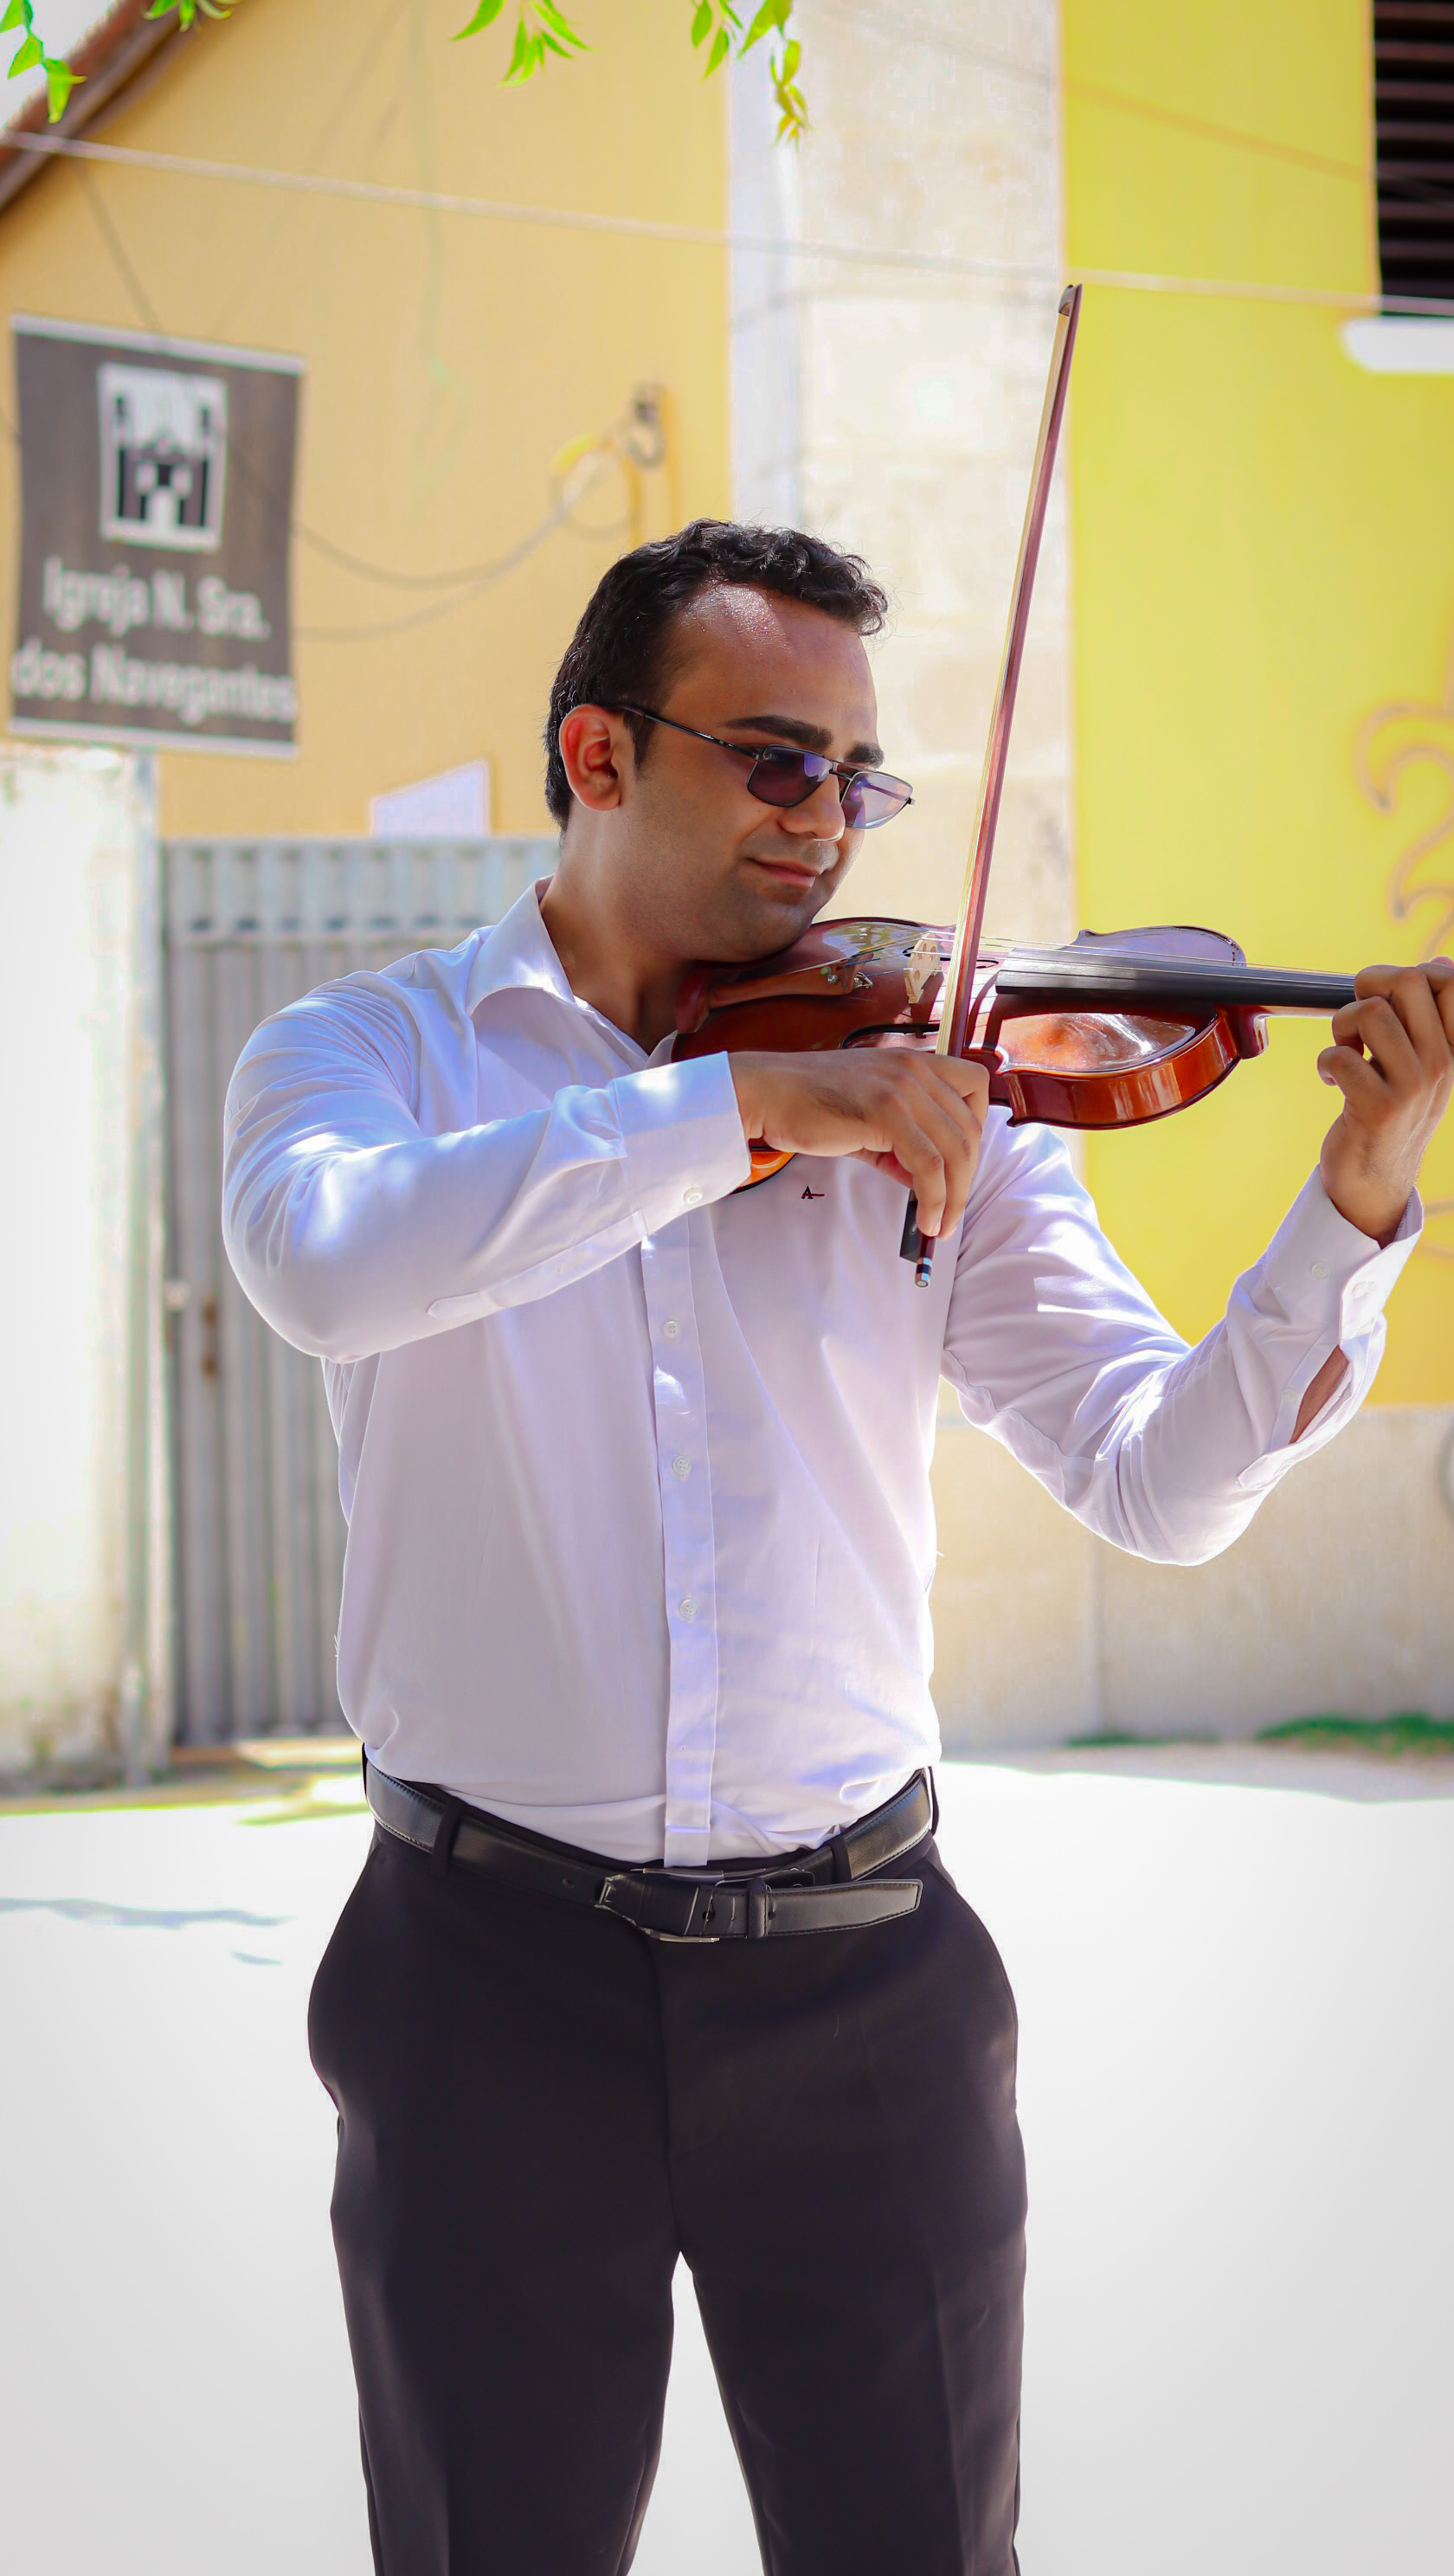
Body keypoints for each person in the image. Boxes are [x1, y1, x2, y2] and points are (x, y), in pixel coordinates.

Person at [222, 521, 1453, 2576]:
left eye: (858, 780)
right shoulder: (367, 1058)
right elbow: (330, 1266)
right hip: (484, 1980)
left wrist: (1357, 1188)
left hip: (864, 1978)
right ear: (599, 754)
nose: (827, 821)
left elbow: (1158, 1481)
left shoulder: (935, 1090)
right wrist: (740, 1114)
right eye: (776, 761)